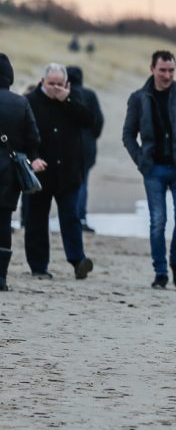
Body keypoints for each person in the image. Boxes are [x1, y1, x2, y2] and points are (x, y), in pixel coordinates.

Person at [122, 50, 176, 289]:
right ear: (152, 69)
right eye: (163, 70)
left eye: (171, 70)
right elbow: (128, 134)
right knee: (158, 221)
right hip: (153, 168)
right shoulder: (139, 98)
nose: (167, 75)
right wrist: (140, 160)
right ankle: (160, 272)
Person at [24, 63, 95, 279]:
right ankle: (38, 267)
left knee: (71, 217)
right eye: (51, 84)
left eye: (60, 84)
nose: (55, 88)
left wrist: (68, 100)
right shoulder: (29, 101)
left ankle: (78, 261)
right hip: (40, 172)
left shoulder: (74, 99)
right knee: (36, 219)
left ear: (68, 84)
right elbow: (23, 133)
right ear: (42, 82)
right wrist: (33, 158)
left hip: (69, 172)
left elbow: (88, 121)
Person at [0, 53, 43, 291]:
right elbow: (33, 138)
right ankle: (1, 278)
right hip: (8, 169)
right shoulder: (20, 103)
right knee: (4, 221)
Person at [66, 66, 105, 233]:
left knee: (66, 184)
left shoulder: (64, 94)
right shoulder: (90, 95)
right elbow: (99, 120)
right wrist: (92, 137)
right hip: (87, 146)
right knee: (82, 183)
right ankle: (80, 218)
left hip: (66, 145)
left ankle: (68, 217)